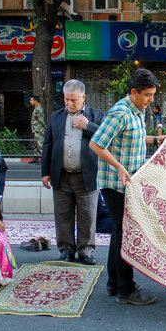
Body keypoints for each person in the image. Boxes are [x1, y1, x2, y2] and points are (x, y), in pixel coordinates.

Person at [90, 68, 166, 305]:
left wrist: (156, 140)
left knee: (119, 233)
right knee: (125, 234)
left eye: (153, 94)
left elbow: (132, 137)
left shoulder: (136, 111)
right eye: (147, 94)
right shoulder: (120, 112)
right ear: (134, 92)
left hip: (126, 183)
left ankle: (115, 284)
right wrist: (119, 167)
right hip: (116, 183)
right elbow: (96, 144)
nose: (151, 99)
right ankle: (126, 289)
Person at [41, 79, 104, 265]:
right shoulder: (56, 117)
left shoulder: (96, 116)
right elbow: (48, 145)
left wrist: (88, 126)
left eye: (74, 100)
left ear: (83, 97)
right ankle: (66, 249)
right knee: (63, 215)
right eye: (66, 99)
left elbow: (107, 138)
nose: (69, 103)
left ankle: (85, 251)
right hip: (61, 175)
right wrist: (45, 172)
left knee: (88, 215)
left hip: (87, 175)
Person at [29, 95, 45, 164]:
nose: (30, 102)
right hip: (36, 129)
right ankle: (36, 157)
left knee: (40, 143)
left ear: (35, 101)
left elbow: (41, 119)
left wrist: (45, 127)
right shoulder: (36, 108)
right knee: (36, 144)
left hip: (39, 129)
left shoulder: (39, 108)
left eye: (31, 100)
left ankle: (42, 159)